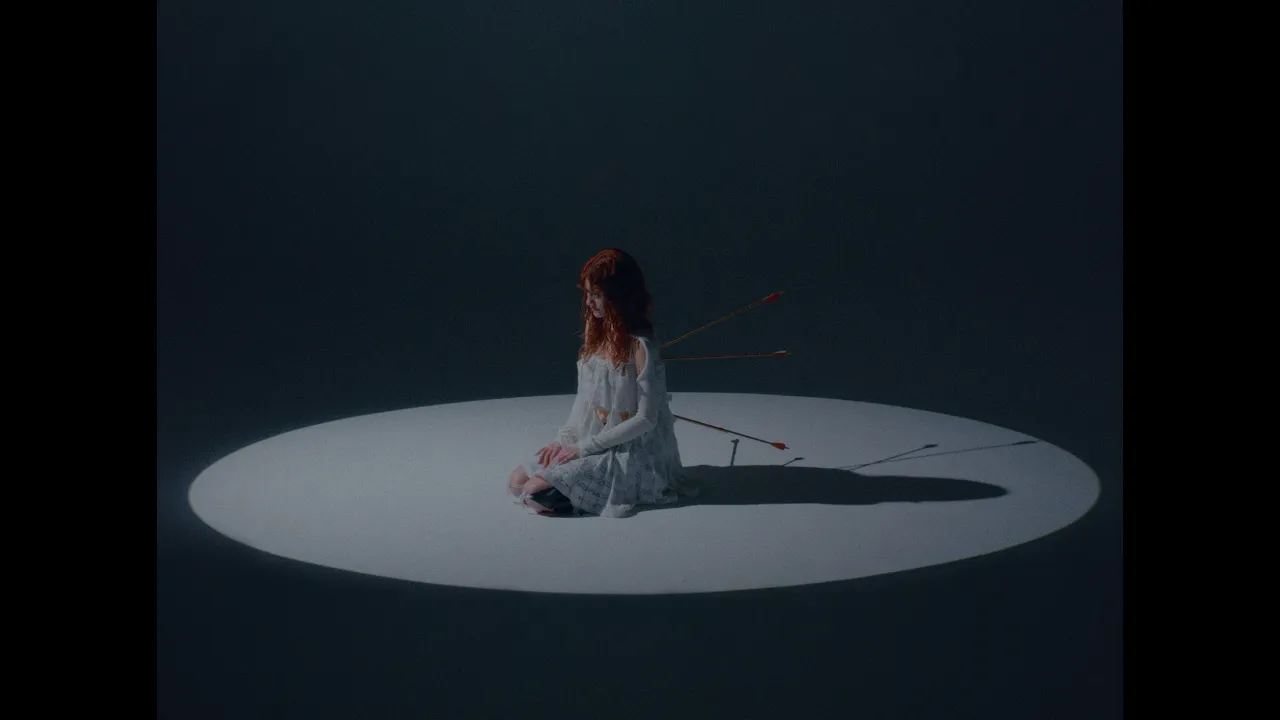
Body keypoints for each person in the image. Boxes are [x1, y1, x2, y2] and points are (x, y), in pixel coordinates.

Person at [507, 249, 686, 517]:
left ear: (619, 296)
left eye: (597, 295)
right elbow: (584, 402)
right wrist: (563, 440)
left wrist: (583, 449)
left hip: (630, 449)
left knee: (534, 491)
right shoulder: (597, 338)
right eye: (587, 294)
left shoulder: (641, 346)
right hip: (591, 436)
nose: (589, 302)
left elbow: (646, 419)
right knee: (517, 483)